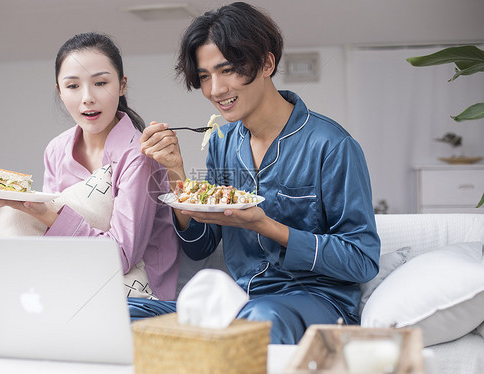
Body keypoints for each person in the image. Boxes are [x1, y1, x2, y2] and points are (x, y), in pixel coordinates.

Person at [136, 2, 381, 343]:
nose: (215, 89)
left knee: (260, 319)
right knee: (126, 312)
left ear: (267, 63)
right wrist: (175, 170)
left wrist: (265, 226)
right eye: (205, 76)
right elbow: (200, 245)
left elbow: (361, 260)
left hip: (317, 303)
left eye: (228, 70)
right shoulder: (221, 141)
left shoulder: (331, 145)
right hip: (239, 301)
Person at [0, 32, 180, 301]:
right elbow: (51, 240)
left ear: (122, 85)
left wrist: (46, 214)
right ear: (60, 91)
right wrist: (7, 199)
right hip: (74, 274)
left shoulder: (139, 154)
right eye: (73, 86)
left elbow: (121, 257)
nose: (87, 97)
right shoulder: (57, 149)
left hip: (137, 292)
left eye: (100, 83)